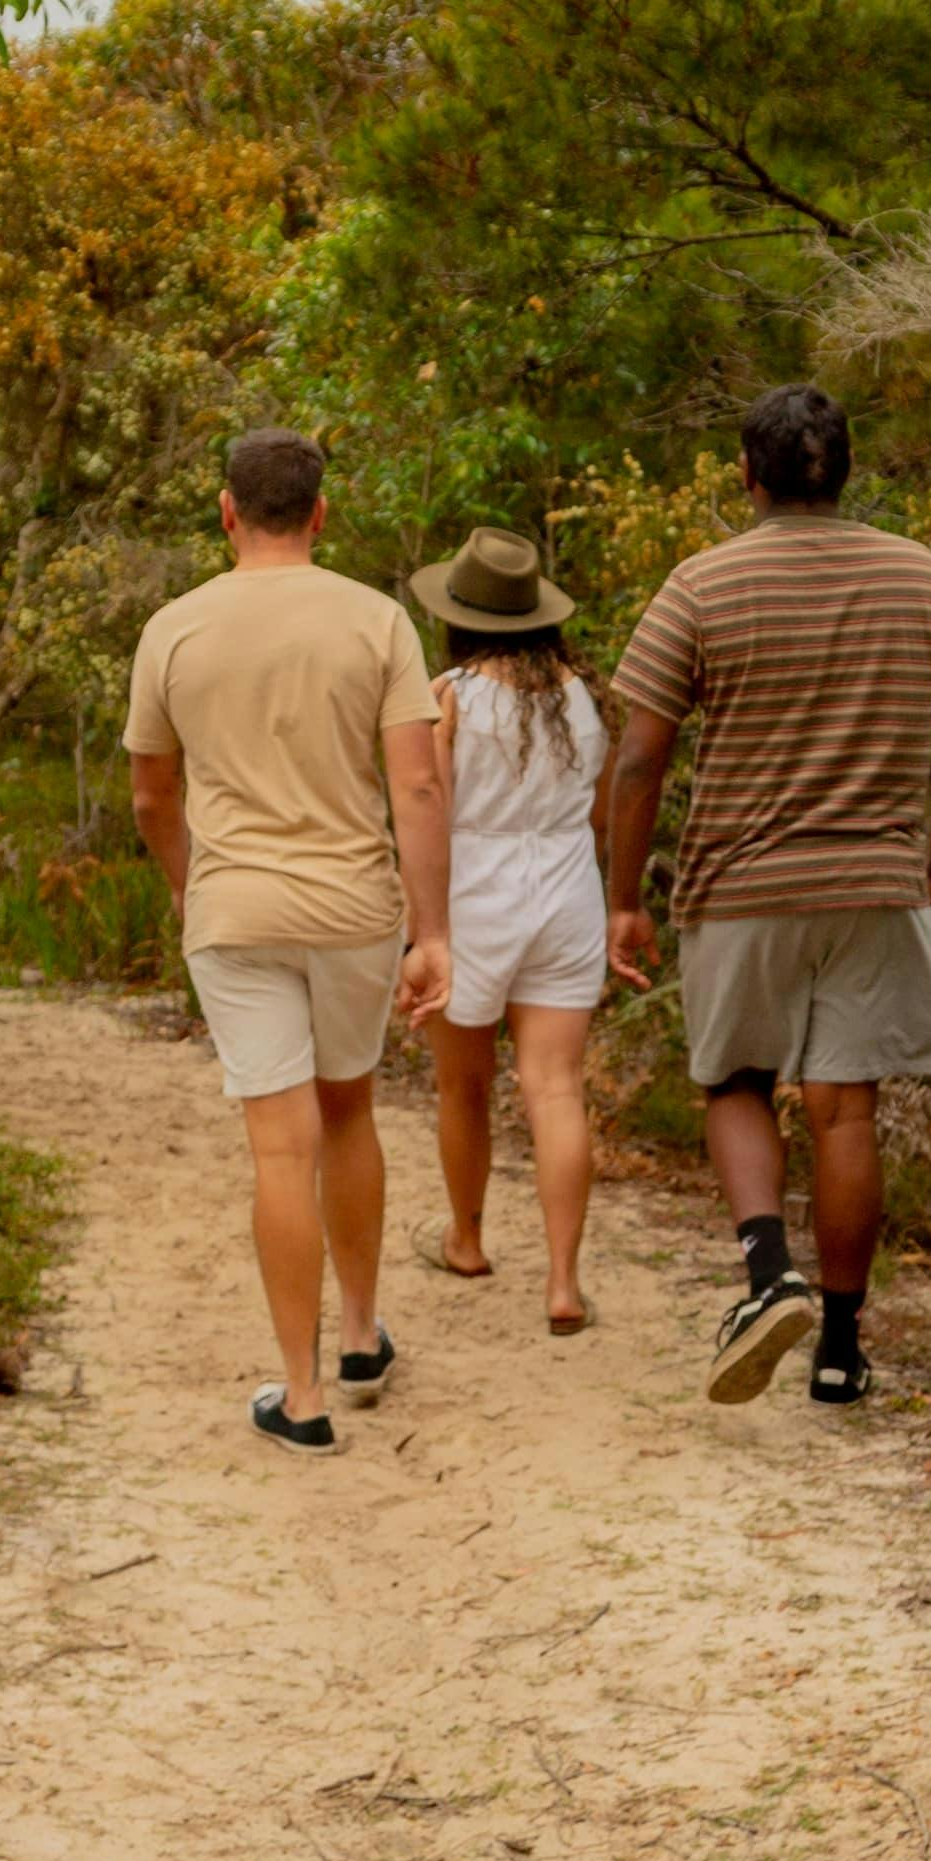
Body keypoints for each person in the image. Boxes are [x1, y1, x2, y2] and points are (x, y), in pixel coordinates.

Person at [596, 384, 931, 1408]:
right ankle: (843, 1351)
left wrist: (624, 897)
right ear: (847, 469)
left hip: (742, 883)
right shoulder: (925, 579)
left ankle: (769, 1276)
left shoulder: (700, 587)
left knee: (734, 1080)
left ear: (747, 472)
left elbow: (640, 759)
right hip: (877, 881)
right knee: (844, 1107)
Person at [124, 430, 450, 1452]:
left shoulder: (172, 630)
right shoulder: (376, 621)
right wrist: (431, 932)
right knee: (349, 1113)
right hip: (354, 906)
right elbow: (420, 782)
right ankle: (360, 1338)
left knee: (279, 1144)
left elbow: (150, 791)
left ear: (227, 512)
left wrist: (190, 887)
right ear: (320, 514)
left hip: (236, 910)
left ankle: (301, 1396)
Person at [403, 526, 609, 1339]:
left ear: (460, 616)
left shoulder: (449, 696)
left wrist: (422, 929)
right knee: (555, 1087)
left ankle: (467, 1239)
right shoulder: (582, 697)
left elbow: (432, 809)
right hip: (566, 892)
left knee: (464, 1085)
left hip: (474, 895)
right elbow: (597, 813)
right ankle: (563, 1283)